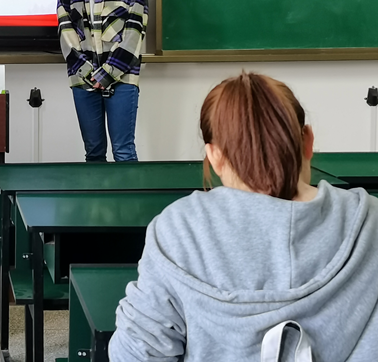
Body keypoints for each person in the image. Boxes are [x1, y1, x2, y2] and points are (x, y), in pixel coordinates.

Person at [109, 72, 378, 361]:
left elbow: (136, 353)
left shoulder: (179, 230)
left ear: (214, 156)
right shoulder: (370, 221)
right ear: (308, 141)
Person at [57, 0, 148, 162]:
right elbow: (65, 28)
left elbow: (136, 28)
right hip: (83, 77)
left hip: (123, 76)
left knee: (123, 151)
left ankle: (128, 193)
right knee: (94, 152)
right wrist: (88, 72)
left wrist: (108, 73)